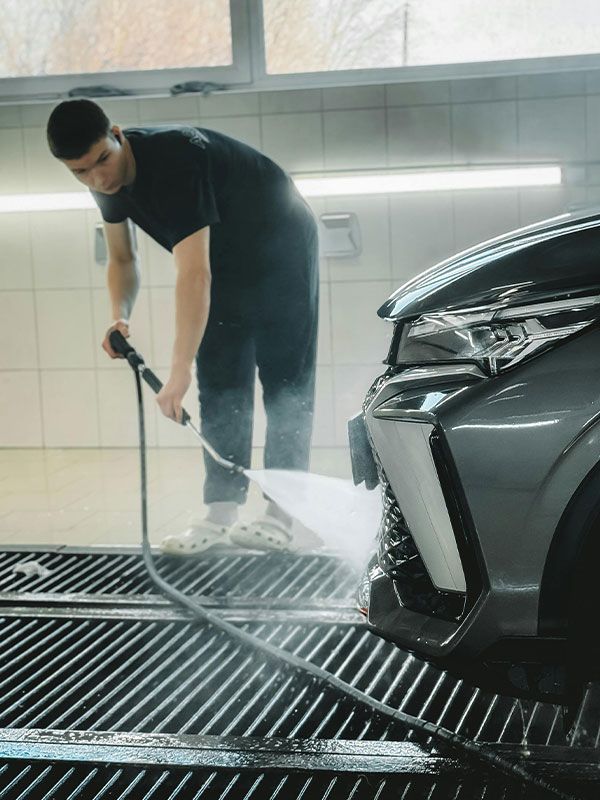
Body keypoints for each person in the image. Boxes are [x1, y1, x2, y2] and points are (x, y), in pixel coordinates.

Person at [46, 99, 319, 554]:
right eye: (80, 173)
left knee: (285, 384)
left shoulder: (176, 160)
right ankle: (221, 510)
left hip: (281, 250)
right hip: (224, 261)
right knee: (222, 384)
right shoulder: (103, 178)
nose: (97, 179)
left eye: (101, 161)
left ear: (117, 134)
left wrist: (177, 372)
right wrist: (121, 315)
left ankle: (281, 514)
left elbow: (194, 275)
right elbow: (121, 258)